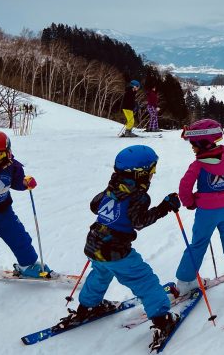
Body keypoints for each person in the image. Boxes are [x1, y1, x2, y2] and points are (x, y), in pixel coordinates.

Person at [71, 145, 181, 348]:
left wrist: (113, 200)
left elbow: (94, 205)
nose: (152, 175)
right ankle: (161, 320)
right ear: (140, 174)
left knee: (99, 275)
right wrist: (164, 207)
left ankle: (86, 307)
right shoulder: (138, 196)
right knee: (144, 280)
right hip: (117, 251)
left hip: (94, 245)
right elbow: (140, 221)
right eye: (151, 171)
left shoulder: (112, 187)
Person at [176, 119, 224, 304]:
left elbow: (184, 188)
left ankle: (185, 281)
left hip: (206, 212)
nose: (192, 148)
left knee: (198, 244)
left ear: (202, 143)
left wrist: (190, 202)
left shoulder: (198, 165)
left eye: (193, 144)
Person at [0, 131, 52, 277]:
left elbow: (16, 181)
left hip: (4, 212)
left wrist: (24, 182)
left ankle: (27, 265)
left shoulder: (12, 166)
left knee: (20, 238)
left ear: (8, 152)